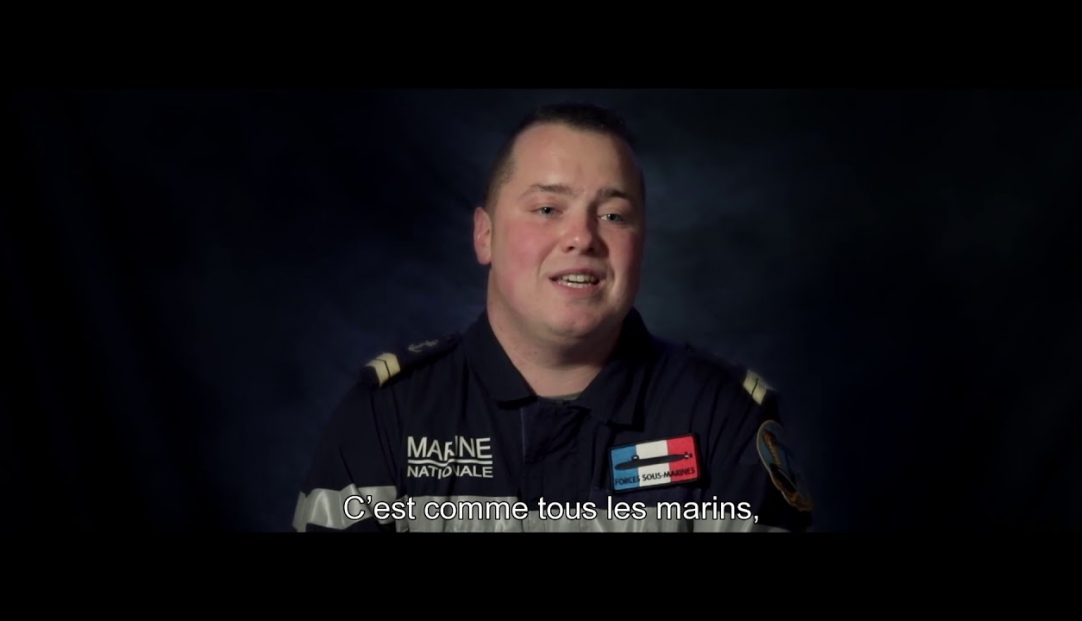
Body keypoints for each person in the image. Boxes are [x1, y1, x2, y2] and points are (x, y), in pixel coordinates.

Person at [292, 102, 814, 532]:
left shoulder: (724, 419)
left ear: (641, 244)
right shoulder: (388, 416)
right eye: (547, 209)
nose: (582, 237)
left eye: (613, 215)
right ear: (485, 235)